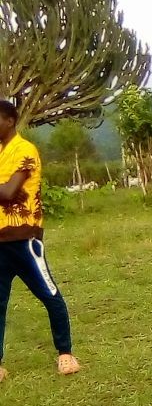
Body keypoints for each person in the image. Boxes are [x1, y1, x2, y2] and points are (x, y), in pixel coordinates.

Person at [0, 100, 80, 383]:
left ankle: (65, 353)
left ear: (10, 120)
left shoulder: (25, 151)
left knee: (49, 294)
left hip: (24, 240)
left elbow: (9, 192)